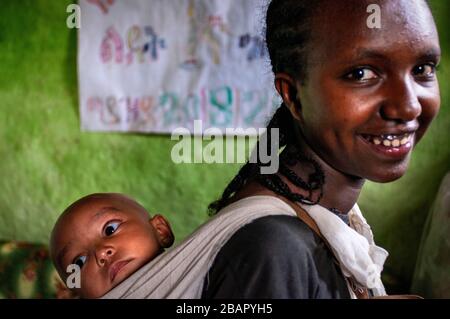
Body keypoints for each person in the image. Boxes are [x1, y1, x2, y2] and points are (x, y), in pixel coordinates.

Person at [201, 0, 441, 298]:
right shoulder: (275, 250)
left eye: (422, 69)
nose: (408, 105)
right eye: (361, 74)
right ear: (294, 95)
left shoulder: (327, 214)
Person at [49, 193, 174, 298]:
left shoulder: (192, 267)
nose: (100, 253)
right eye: (79, 262)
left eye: (110, 229)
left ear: (160, 231)